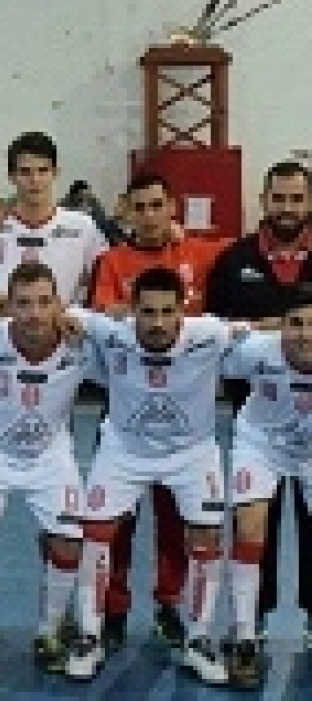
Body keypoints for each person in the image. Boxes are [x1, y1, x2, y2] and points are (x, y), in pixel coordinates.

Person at [66, 267, 238, 685]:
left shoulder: (210, 334)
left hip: (192, 453)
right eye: (148, 312)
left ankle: (198, 639)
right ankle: (89, 635)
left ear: (183, 310)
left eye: (167, 311)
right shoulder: (112, 332)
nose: (158, 322)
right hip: (124, 451)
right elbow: (59, 313)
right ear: (133, 311)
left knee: (206, 537)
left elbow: (263, 332)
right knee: (96, 533)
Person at [89, 172, 228, 649]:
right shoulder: (112, 261)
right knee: (116, 523)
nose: (149, 216)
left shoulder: (204, 255)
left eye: (157, 205)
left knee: (177, 521)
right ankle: (112, 609)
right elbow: (105, 318)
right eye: (140, 207)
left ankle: (170, 603)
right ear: (126, 211)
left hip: (186, 409)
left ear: (173, 208)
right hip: (129, 405)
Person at [0, 262, 94, 673]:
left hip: (50, 455)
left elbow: (130, 333)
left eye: (43, 302)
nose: (34, 313)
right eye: (23, 304)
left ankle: (50, 631)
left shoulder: (82, 340)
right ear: (8, 307)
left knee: (69, 542)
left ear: (59, 304)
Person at [206, 160, 312, 643]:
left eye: (297, 198)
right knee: (253, 525)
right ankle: (254, 622)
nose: (287, 207)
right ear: (264, 200)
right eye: (279, 198)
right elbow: (215, 332)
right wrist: (270, 331)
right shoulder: (234, 260)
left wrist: (267, 328)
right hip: (259, 422)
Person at [221, 290, 312, 688]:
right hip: (260, 445)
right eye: (296, 324)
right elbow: (207, 349)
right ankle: (246, 633)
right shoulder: (257, 350)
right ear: (281, 327)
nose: (305, 334)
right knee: (250, 527)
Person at [0, 132, 107, 308]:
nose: (35, 180)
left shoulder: (83, 227)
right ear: (11, 176)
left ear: (56, 173)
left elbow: (101, 284)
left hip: (60, 325)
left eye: (43, 170)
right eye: (25, 172)